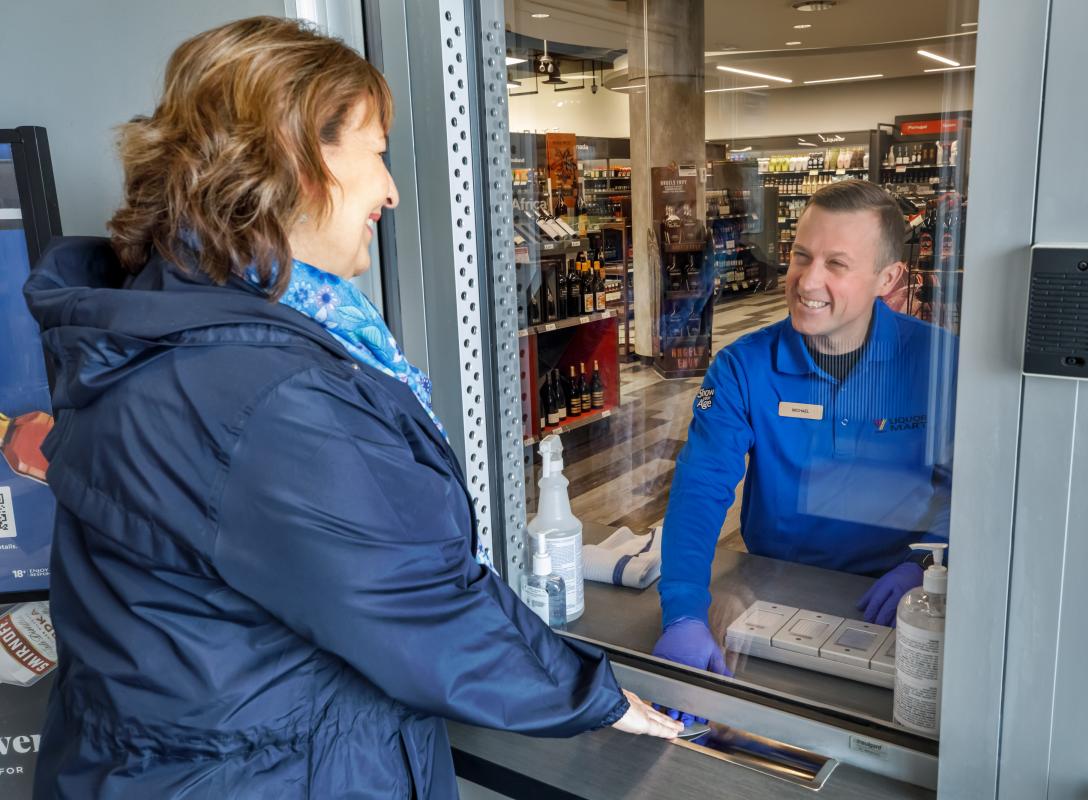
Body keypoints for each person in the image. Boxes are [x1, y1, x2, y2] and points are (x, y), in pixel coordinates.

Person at [25, 17, 679, 799]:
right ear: (299, 162)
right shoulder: (265, 394)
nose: (392, 190)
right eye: (375, 154)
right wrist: (592, 695)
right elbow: (415, 601)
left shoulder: (158, 326)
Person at [653, 180, 957, 681]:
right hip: (772, 587)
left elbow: (977, 486)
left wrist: (928, 564)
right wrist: (684, 611)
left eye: (836, 264)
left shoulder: (940, 362)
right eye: (801, 256)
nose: (808, 281)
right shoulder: (742, 367)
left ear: (888, 277)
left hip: (901, 597)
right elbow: (700, 488)